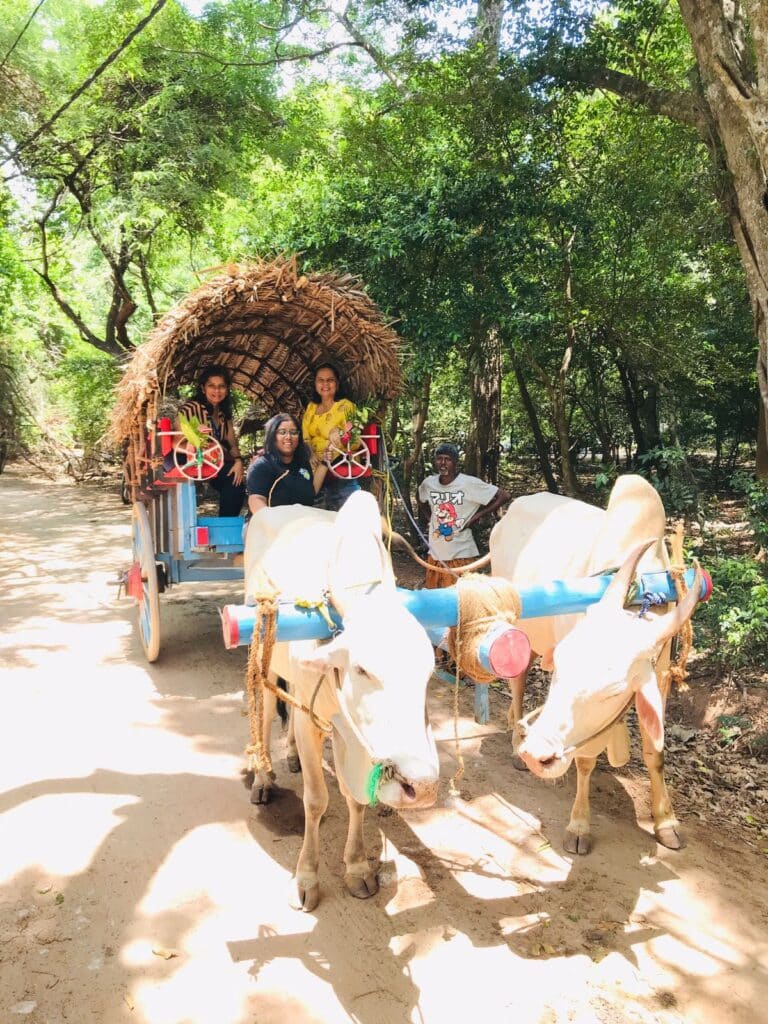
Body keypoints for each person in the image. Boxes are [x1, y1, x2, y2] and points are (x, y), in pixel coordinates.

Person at [417, 442, 511, 590]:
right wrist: (431, 519)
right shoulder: (429, 483)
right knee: (435, 596)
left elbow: (503, 496)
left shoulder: (468, 483)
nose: (443, 463)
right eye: (439, 458)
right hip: (435, 553)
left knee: (461, 598)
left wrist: (475, 517)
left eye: (447, 459)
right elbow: (420, 499)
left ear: (455, 462)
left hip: (461, 553)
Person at [176, 365, 245, 516]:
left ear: (226, 389)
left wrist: (239, 461)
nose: (217, 391)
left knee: (236, 481)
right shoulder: (190, 409)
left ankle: (226, 527)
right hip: (189, 461)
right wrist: (194, 436)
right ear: (203, 388)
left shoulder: (223, 414)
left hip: (214, 462)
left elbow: (232, 444)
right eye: (211, 386)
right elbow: (176, 442)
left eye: (221, 386)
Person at [301, 362, 361, 511]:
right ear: (315, 384)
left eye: (330, 380)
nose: (325, 384)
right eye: (320, 380)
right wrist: (310, 454)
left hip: (339, 458)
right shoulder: (311, 407)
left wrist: (340, 433)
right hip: (313, 461)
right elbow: (305, 437)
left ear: (337, 383)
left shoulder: (346, 406)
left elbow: (355, 440)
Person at [246, 412, 328, 514]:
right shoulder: (262, 465)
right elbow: (256, 499)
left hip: (300, 524)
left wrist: (325, 463)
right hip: (268, 525)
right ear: (272, 435)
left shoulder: (302, 463)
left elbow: (311, 491)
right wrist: (270, 520)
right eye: (282, 432)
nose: (288, 437)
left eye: (293, 432)